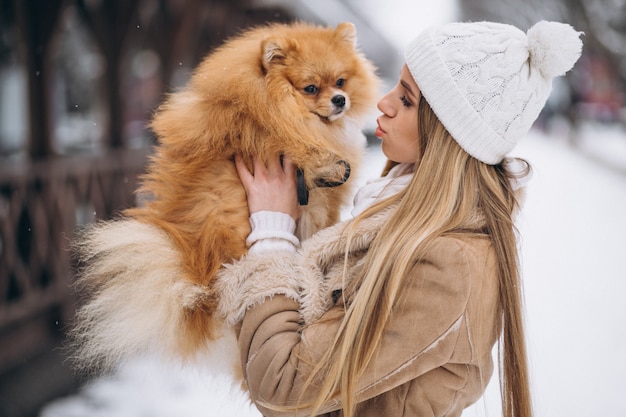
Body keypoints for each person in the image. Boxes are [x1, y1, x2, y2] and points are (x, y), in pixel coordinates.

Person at [217, 20, 583, 417]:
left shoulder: (446, 264)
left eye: (406, 100)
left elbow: (283, 388)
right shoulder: (401, 209)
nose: (382, 103)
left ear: (447, 133)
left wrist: (273, 235)